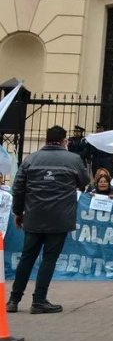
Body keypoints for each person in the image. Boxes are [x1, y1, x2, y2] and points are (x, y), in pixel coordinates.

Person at [7, 126, 90, 314]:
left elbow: (17, 189)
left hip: (34, 217)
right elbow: (84, 182)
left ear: (45, 140)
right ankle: (38, 301)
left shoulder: (31, 159)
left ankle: (13, 300)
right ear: (64, 141)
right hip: (60, 218)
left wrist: (18, 213)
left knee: (27, 258)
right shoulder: (74, 159)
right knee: (49, 259)